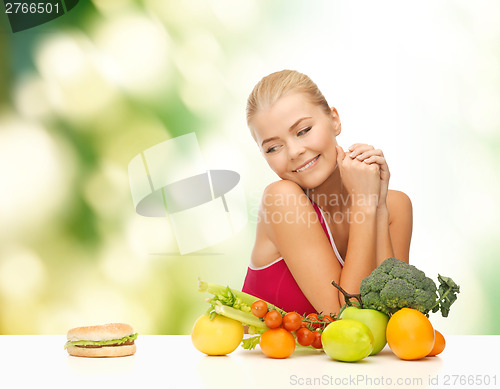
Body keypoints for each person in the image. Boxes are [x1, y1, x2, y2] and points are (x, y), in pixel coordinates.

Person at [241, 70, 413, 316]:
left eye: (303, 131)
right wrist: (365, 205)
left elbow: (397, 319)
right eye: (273, 147)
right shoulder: (281, 199)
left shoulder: (395, 206)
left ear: (334, 120)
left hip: (346, 356)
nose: (294, 151)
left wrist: (379, 209)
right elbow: (344, 318)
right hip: (259, 355)